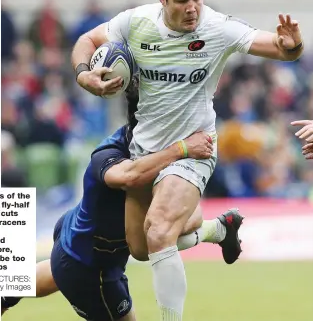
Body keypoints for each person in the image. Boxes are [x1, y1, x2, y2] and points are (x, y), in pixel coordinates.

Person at [71, 0, 304, 320]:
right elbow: (87, 40)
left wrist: (291, 46)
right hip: (145, 149)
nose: (192, 7)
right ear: (162, 0)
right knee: (141, 247)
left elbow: (277, 46)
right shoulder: (135, 22)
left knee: (161, 230)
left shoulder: (216, 27)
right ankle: (216, 228)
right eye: (182, 0)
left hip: (194, 149)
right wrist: (84, 74)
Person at [1, 78, 240, 320]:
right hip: (91, 267)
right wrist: (182, 149)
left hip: (80, 241)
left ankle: (5, 292)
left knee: (168, 226)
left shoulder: (161, 150)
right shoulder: (110, 154)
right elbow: (129, 176)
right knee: (158, 235)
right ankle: (215, 230)